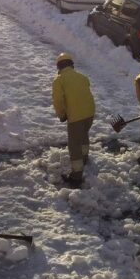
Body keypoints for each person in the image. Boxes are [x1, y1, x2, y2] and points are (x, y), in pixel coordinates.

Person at [51, 52, 95, 188]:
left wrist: (62, 115)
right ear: (71, 65)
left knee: (74, 144)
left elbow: (58, 101)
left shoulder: (59, 80)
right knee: (84, 135)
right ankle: (84, 158)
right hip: (90, 113)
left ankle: (76, 176)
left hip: (76, 117)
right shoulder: (82, 77)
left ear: (59, 67)